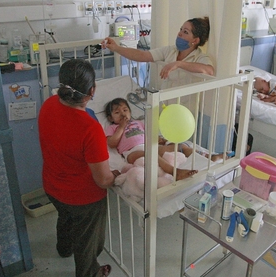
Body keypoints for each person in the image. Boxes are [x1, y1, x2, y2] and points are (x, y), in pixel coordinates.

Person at [38, 59, 119, 277]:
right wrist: (117, 175)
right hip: (83, 199)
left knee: (64, 218)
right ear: (92, 91)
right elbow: (103, 180)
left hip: (52, 186)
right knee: (88, 242)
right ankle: (90, 273)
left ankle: (64, 249)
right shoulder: (90, 129)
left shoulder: (48, 105)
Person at [104, 97, 198, 180]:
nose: (122, 114)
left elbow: (150, 134)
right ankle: (175, 172)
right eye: (117, 112)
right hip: (132, 153)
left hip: (149, 147)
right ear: (110, 118)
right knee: (151, 154)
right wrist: (121, 127)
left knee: (178, 146)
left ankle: (204, 156)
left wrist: (160, 140)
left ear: (130, 112)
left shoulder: (138, 123)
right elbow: (111, 143)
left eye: (125, 110)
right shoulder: (113, 128)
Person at [102, 16, 214, 79]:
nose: (179, 34)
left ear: (195, 40)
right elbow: (142, 55)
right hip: (166, 106)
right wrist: (116, 48)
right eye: (180, 29)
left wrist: (178, 64)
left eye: (185, 32)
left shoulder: (200, 57)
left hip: (186, 112)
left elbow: (209, 71)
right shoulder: (170, 51)